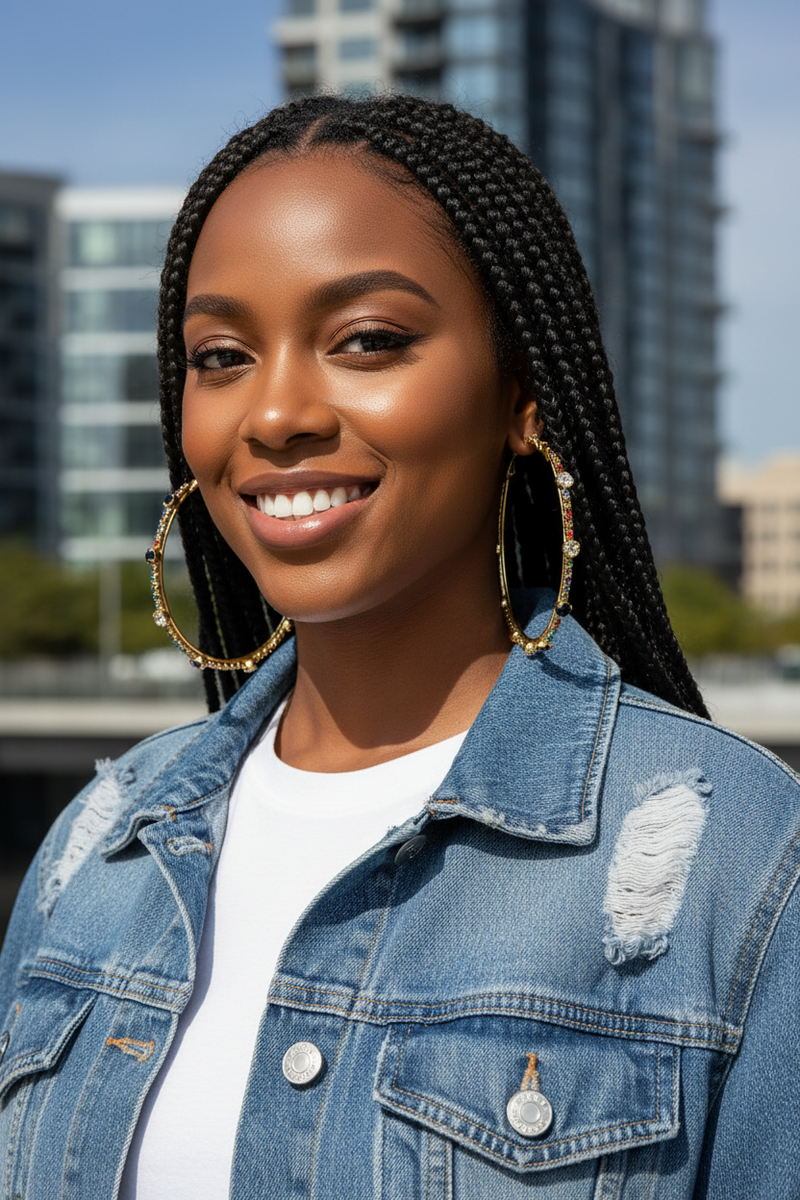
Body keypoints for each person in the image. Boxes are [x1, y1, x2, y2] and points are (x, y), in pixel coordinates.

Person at [1, 93, 798, 1200]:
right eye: (221, 355)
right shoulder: (99, 847)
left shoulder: (742, 862)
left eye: (366, 340)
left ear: (520, 391)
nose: (273, 413)